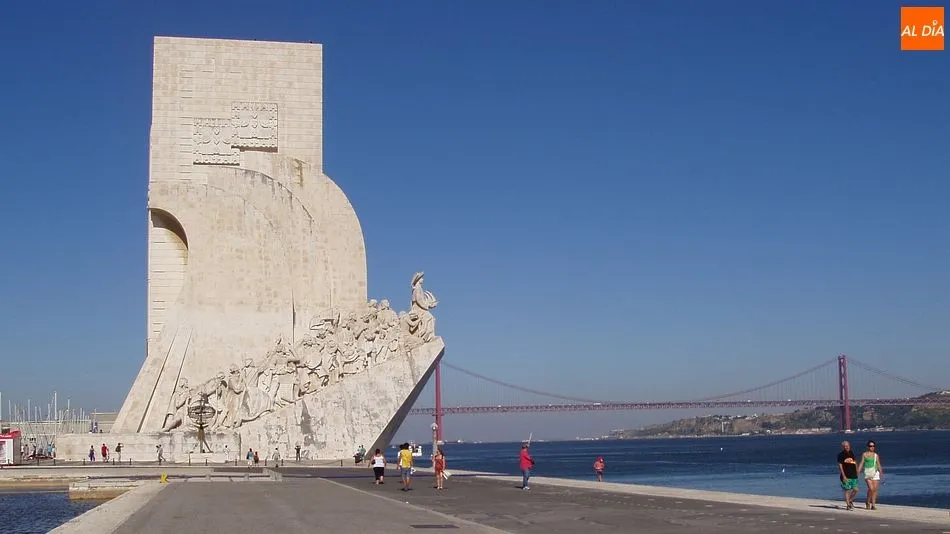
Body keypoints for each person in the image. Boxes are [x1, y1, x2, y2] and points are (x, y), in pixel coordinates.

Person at [857, 440, 883, 510]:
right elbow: (861, 463)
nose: (872, 447)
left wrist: (881, 472)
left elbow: (878, 464)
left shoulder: (876, 455)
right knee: (871, 488)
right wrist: (858, 472)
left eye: (873, 446)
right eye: (871, 446)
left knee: (875, 489)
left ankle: (873, 505)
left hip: (875, 473)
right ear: (868, 447)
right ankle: (868, 501)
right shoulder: (864, 454)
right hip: (868, 473)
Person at [837, 441, 859, 510]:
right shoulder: (841, 455)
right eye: (845, 446)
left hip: (853, 475)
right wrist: (843, 476)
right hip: (846, 475)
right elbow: (840, 466)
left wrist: (857, 471)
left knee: (856, 490)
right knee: (847, 490)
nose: (847, 447)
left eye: (848, 446)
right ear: (843, 447)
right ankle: (848, 505)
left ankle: (850, 500)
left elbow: (855, 462)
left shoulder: (851, 453)